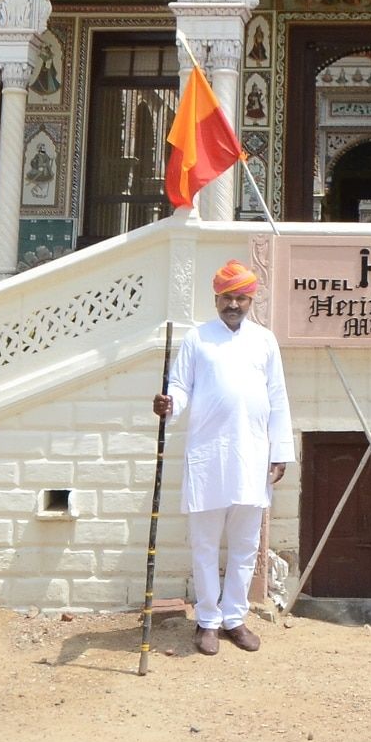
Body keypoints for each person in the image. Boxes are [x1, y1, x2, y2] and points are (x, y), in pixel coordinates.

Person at [153, 260, 293, 655]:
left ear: (251, 300)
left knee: (246, 544)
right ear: (216, 299)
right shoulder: (198, 339)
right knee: (205, 542)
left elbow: (278, 398)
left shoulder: (265, 341)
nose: (234, 303)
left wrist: (280, 451)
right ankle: (207, 620)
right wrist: (169, 403)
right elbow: (180, 387)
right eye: (227, 297)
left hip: (253, 454)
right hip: (208, 454)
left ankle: (235, 617)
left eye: (241, 297)